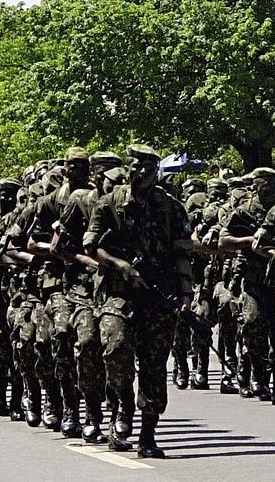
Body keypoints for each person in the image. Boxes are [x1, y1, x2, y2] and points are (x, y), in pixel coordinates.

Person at [84, 145, 194, 458]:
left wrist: (185, 294)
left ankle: (148, 436)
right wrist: (121, 266)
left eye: (148, 167)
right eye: (136, 166)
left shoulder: (170, 207)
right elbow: (92, 246)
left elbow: (182, 252)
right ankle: (122, 405)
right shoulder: (110, 202)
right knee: (116, 350)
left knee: (154, 367)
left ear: (157, 171)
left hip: (158, 298)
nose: (141, 173)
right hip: (118, 293)